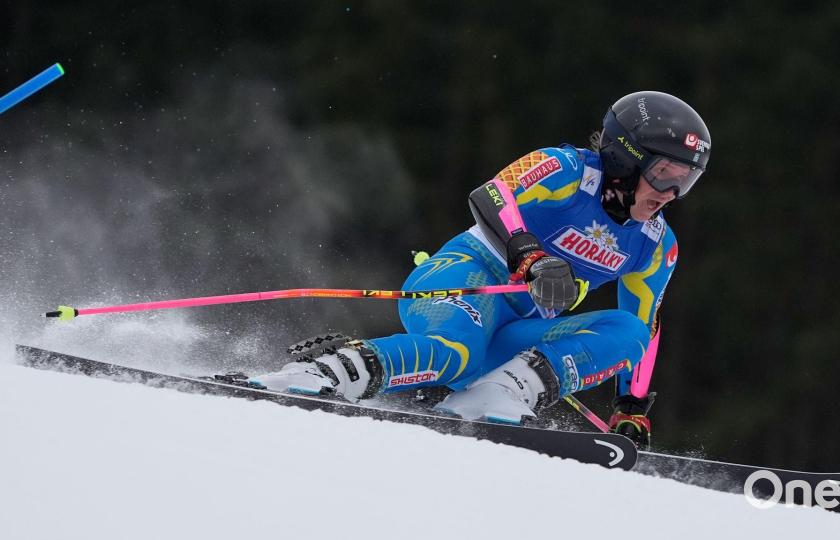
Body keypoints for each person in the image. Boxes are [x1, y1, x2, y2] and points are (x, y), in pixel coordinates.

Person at [250, 91, 711, 448]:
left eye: (686, 181)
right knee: (456, 351)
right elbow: (491, 195)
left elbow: (645, 325)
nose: (672, 193)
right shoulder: (566, 170)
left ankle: (497, 393)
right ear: (626, 158)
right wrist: (529, 255)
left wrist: (630, 407)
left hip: (513, 338)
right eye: (666, 174)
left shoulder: (655, 244)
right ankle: (321, 374)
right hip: (466, 280)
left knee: (627, 330)